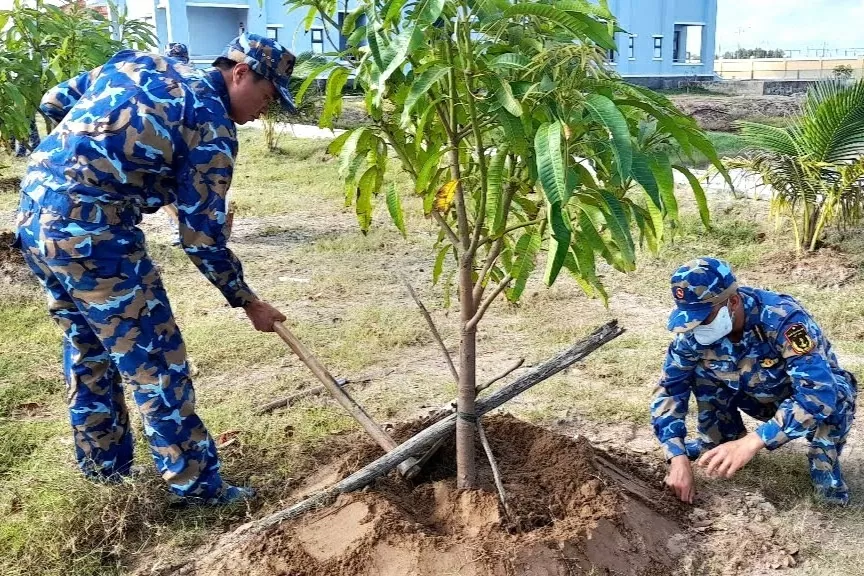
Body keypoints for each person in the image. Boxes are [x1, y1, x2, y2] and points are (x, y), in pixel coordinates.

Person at [14, 33, 296, 504]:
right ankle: (198, 490)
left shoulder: (139, 62)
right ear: (240, 72)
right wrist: (248, 301)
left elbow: (53, 100)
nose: (264, 109)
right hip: (94, 236)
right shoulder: (212, 127)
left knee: (89, 349)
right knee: (157, 361)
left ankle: (106, 471)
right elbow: (202, 239)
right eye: (267, 96)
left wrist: (111, 158)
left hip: (35, 213)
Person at [652, 257, 857, 505]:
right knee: (699, 371)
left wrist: (753, 442)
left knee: (838, 393)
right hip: (750, 396)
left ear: (733, 302)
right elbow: (670, 390)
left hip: (798, 400)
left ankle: (827, 476)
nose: (696, 327)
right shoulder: (692, 334)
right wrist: (677, 457)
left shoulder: (783, 318)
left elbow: (818, 395)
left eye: (704, 318)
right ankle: (720, 444)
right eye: (691, 319)